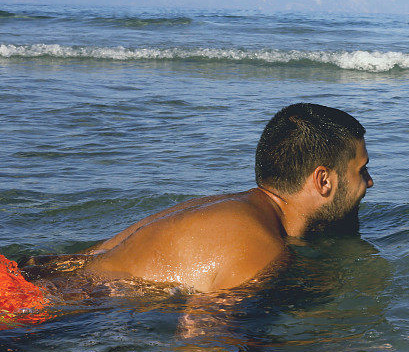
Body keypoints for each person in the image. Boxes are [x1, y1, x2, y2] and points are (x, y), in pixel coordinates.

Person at [4, 103, 372, 309]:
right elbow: (201, 342)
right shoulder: (260, 245)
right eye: (362, 170)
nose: (369, 182)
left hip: (24, 278)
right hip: (28, 308)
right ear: (323, 181)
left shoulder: (231, 210)